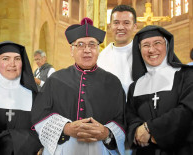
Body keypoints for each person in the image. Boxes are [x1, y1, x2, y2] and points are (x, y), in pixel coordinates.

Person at [32, 17, 126, 155]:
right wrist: (66, 128)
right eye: (80, 45)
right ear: (71, 50)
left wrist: (106, 133)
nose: (87, 50)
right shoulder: (56, 79)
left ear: (98, 50)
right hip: (63, 149)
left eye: (92, 45)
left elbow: (123, 119)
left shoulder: (113, 82)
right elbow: (39, 116)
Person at [126, 25, 193, 155]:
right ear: (139, 50)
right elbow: (130, 117)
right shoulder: (135, 86)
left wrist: (150, 130)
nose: (151, 50)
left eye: (157, 43)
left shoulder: (187, 75)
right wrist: (137, 131)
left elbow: (187, 111)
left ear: (167, 46)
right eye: (145, 45)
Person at [0, 41, 42, 155]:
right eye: (5, 59)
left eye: (17, 59)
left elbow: (42, 129)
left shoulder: (35, 97)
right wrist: (15, 142)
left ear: (23, 63)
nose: (12, 64)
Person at [97, 5, 137, 96]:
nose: (120, 27)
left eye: (126, 23)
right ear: (110, 26)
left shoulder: (143, 54)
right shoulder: (100, 58)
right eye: (116, 23)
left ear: (134, 27)